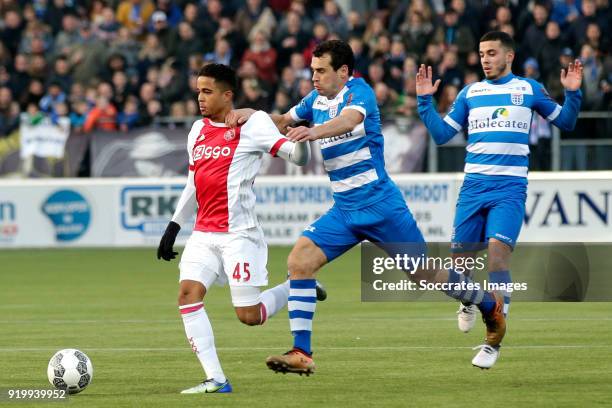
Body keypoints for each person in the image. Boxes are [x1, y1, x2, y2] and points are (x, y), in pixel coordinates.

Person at [227, 40, 507, 375]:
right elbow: (284, 119)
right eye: (312, 70)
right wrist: (253, 117)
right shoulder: (314, 99)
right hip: (345, 211)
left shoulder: (359, 93)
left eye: (321, 70)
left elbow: (347, 122)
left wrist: (313, 132)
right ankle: (302, 352)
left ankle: (489, 305)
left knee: (423, 274)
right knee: (299, 261)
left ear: (343, 71)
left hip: (381, 207)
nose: (313, 77)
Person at [416, 31, 583, 368]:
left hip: (509, 189)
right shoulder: (470, 93)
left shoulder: (529, 89)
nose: (485, 59)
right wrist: (424, 102)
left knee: (497, 259)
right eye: (481, 53)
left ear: (509, 56)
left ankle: (493, 342)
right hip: (473, 188)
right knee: (460, 266)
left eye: (492, 53)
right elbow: (441, 134)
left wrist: (573, 93)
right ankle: (468, 300)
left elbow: (566, 122)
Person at [156, 63, 313, 394]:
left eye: (207, 91)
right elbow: (193, 181)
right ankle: (216, 379)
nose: (200, 97)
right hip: (203, 234)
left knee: (249, 316)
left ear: (228, 96)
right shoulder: (197, 130)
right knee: (187, 295)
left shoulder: (252, 124)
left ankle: (297, 288)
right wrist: (174, 225)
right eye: (198, 90)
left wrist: (303, 134)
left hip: (239, 235)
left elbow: (296, 157)